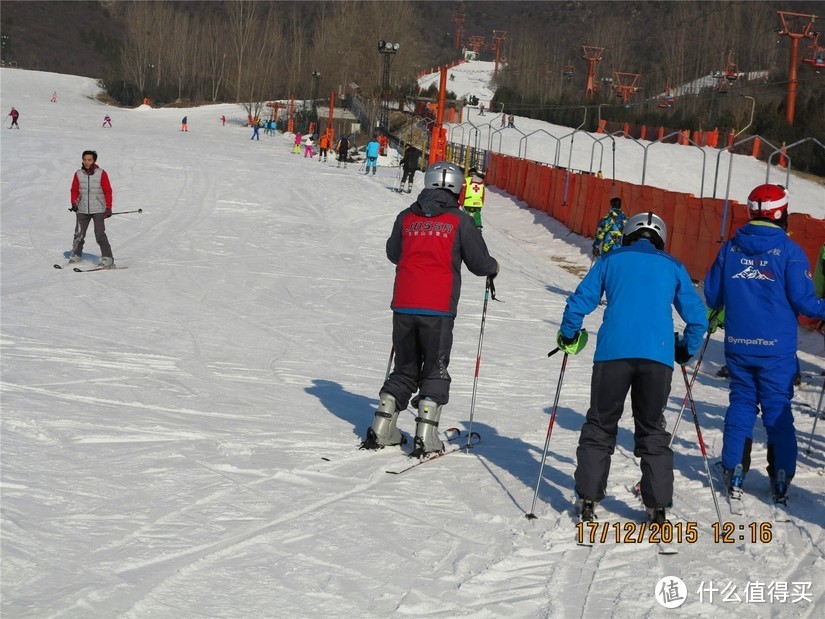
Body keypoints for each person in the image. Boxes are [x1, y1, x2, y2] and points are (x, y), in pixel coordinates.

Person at [559, 212, 707, 524]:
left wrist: (570, 332)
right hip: (658, 357)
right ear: (661, 240)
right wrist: (685, 349)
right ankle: (657, 505)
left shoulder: (611, 260)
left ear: (627, 234)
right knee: (652, 429)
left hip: (613, 354)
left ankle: (587, 497)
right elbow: (698, 319)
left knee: (600, 425)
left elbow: (580, 300)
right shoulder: (673, 266)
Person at [361, 161, 499, 457]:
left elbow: (393, 253)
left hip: (404, 303)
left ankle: (383, 424)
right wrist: (493, 267)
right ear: (458, 189)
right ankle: (426, 433)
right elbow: (479, 263)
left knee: (405, 366)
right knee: (435, 366)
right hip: (438, 307)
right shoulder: (459, 221)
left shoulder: (406, 216)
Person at [704, 184, 825, 507]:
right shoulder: (789, 251)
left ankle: (734, 469)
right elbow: (806, 303)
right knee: (777, 409)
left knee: (742, 404)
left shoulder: (730, 249)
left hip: (739, 344)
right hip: (777, 349)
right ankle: (781, 474)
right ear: (782, 213)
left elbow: (713, 296)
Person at [68, 150, 115, 268]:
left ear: (94, 160)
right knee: (79, 234)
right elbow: (74, 189)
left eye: (89, 160)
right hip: (82, 209)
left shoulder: (101, 173)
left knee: (99, 234)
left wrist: (108, 207)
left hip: (98, 209)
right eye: (84, 159)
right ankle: (76, 254)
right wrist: (74, 202)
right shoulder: (78, 174)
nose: (86, 162)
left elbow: (108, 191)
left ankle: (108, 258)